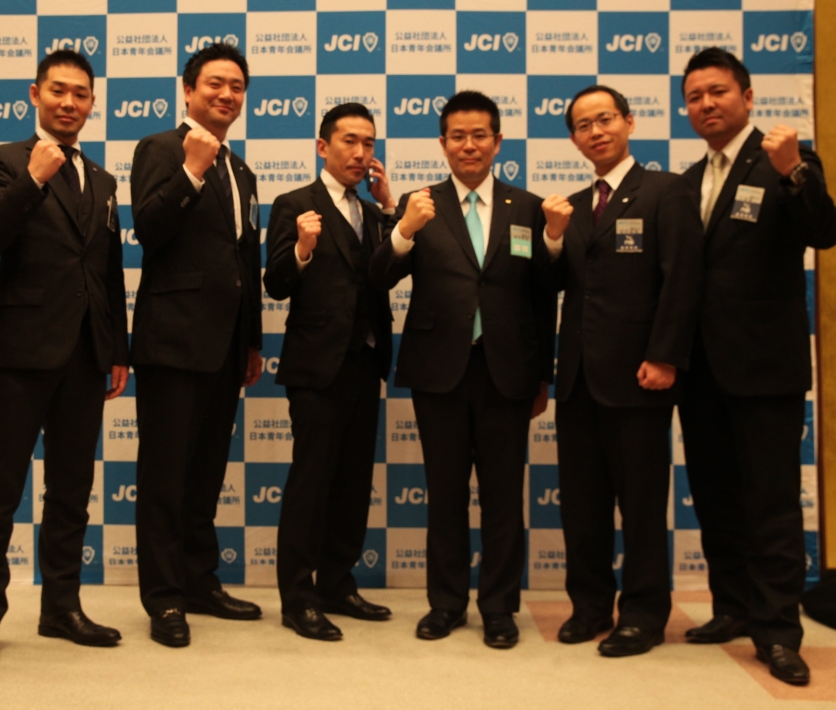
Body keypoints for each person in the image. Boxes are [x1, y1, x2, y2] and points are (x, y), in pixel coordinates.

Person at [0, 49, 129, 668]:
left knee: (71, 490)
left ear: (91, 103)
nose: (69, 103)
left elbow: (107, 271)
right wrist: (31, 179)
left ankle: (61, 606)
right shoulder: (3, 160)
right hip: (20, 352)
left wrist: (116, 349)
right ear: (35, 94)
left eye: (80, 94)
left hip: (85, 355)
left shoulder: (103, 180)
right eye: (58, 91)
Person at [677, 48, 836, 685]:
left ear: (747, 97)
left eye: (718, 92)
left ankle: (777, 632)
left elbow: (825, 231)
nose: (706, 104)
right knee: (716, 497)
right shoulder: (689, 180)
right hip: (700, 372)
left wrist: (795, 170)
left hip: (766, 370)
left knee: (771, 505)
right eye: (695, 96)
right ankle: (733, 608)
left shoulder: (785, 161)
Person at [370, 90, 555, 649]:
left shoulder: (528, 207)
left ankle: (499, 608)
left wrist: (542, 375)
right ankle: (446, 604)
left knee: (503, 496)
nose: (468, 145)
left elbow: (542, 298)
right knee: (445, 493)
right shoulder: (419, 203)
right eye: (458, 136)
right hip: (440, 372)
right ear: (443, 143)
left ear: (498, 141)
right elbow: (376, 278)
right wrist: (403, 229)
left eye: (479, 135)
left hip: (507, 372)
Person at [540, 85, 704, 657]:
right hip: (578, 380)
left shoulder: (665, 191)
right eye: (583, 125)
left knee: (641, 506)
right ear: (574, 139)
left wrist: (665, 356)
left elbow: (682, 278)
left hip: (640, 377)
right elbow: (553, 287)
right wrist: (552, 239)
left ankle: (643, 614)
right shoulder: (572, 207)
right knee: (581, 506)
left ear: (629, 122)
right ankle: (589, 607)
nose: (596, 132)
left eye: (605, 119)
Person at [130, 42, 264, 647]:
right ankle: (163, 598)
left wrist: (252, 340)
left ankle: (199, 580)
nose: (226, 94)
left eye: (236, 86)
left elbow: (245, 259)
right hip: (172, 340)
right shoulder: (161, 148)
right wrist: (190, 171)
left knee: (206, 474)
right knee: (165, 476)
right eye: (215, 83)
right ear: (188, 90)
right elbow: (150, 230)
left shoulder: (242, 171)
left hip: (226, 345)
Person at [263, 103, 396, 641]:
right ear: (323, 147)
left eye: (368, 143)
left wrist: (390, 209)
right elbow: (275, 284)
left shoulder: (374, 212)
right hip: (316, 368)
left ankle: (338, 584)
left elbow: (389, 271)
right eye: (349, 141)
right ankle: (298, 597)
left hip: (366, 363)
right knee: (311, 483)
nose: (360, 153)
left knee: (353, 483)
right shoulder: (295, 204)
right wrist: (301, 248)